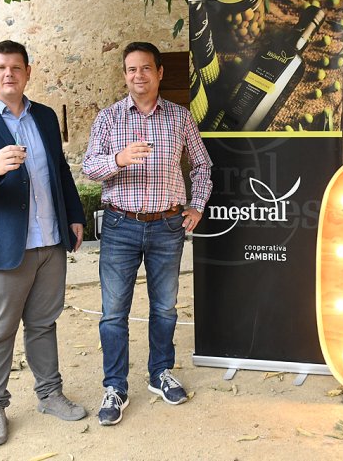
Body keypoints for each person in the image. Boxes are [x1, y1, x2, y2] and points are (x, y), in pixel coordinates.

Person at [0, 40, 87, 447]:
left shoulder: (43, 116)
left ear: (28, 72)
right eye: (1, 68)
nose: (9, 74)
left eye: (16, 67)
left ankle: (49, 395)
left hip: (49, 241)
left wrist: (74, 216)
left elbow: (59, 171)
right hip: (1, 249)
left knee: (43, 324)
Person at [82, 41, 213, 426]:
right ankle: (115, 387)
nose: (137, 76)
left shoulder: (179, 118)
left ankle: (160, 373)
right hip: (120, 224)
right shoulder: (108, 119)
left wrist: (197, 205)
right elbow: (89, 166)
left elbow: (203, 166)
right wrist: (118, 159)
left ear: (159, 73)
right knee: (113, 312)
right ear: (125, 75)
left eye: (144, 69)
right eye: (130, 70)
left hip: (168, 226)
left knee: (165, 307)